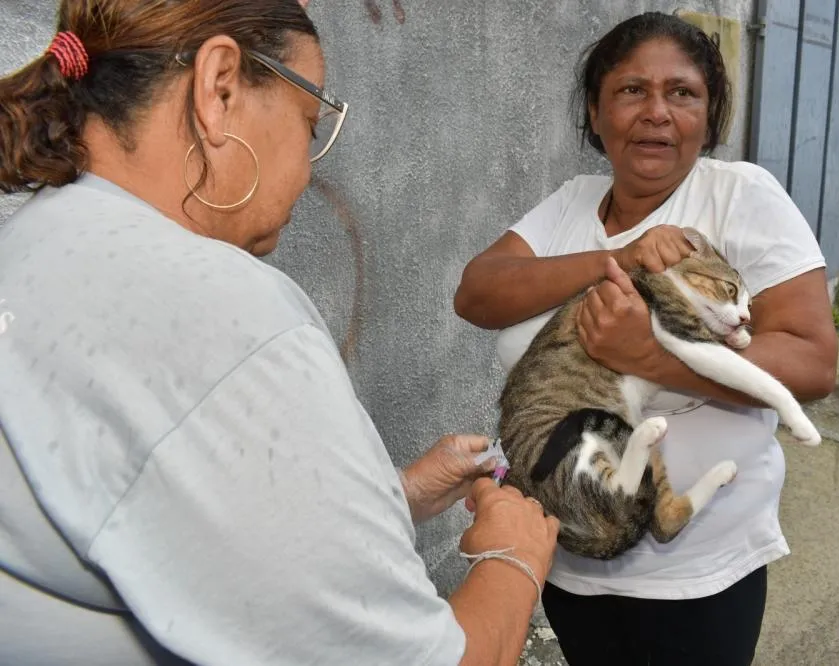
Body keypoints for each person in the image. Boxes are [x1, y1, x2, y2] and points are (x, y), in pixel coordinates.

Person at [0, 2, 559, 665]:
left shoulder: (37, 234)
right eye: (307, 125)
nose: (306, 169)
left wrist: (392, 497)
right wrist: (514, 556)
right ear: (220, 87)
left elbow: (160, 516)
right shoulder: (220, 311)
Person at [454, 11, 838, 666]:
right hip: (565, 560)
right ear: (596, 114)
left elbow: (812, 360)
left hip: (699, 581)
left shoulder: (739, 196)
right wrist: (625, 257)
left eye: (682, 93)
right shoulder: (572, 204)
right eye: (631, 91)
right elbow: (478, 292)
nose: (656, 112)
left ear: (710, 115)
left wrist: (652, 359)